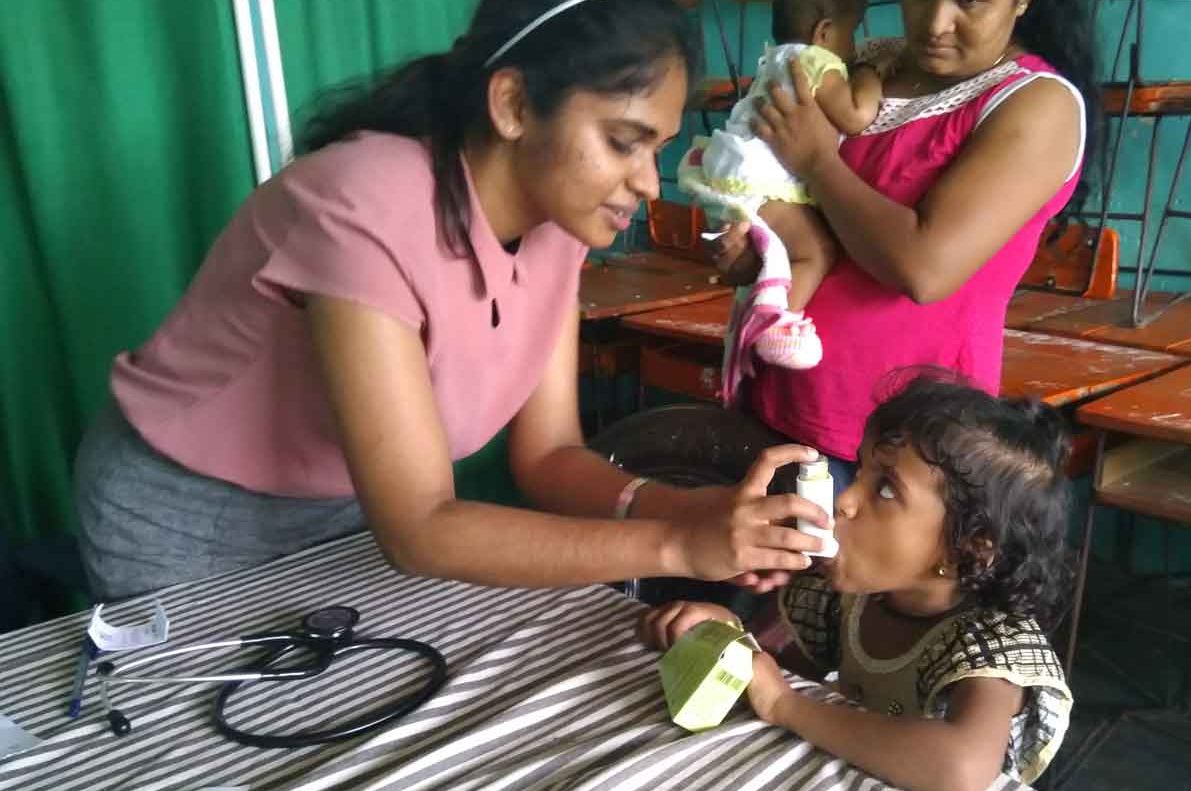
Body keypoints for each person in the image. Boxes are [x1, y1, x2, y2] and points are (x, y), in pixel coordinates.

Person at [72, 0, 830, 602]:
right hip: (189, 514)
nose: (646, 182)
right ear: (513, 104)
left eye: (658, 148)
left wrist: (688, 510)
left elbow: (550, 456)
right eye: (622, 141)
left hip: (344, 504)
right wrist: (677, 545)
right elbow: (419, 528)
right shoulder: (365, 204)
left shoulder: (559, 224)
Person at [710, 0, 1098, 494]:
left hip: (892, 448)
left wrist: (817, 161)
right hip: (772, 398)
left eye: (968, 3)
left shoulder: (1037, 103)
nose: (936, 24)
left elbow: (924, 268)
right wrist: (755, 253)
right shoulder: (867, 62)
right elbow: (790, 196)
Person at [640, 375, 1075, 791]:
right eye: (861, 471)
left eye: (884, 488)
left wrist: (784, 706)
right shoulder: (850, 597)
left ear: (967, 548)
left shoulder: (991, 647)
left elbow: (962, 768)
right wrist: (731, 636)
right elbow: (783, 671)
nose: (844, 501)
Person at [678, 0, 883, 394]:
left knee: (784, 250)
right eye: (852, 32)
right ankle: (776, 323)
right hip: (757, 178)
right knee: (816, 252)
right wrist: (869, 73)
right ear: (824, 32)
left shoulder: (777, 59)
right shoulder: (816, 62)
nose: (854, 45)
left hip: (735, 170)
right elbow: (857, 115)